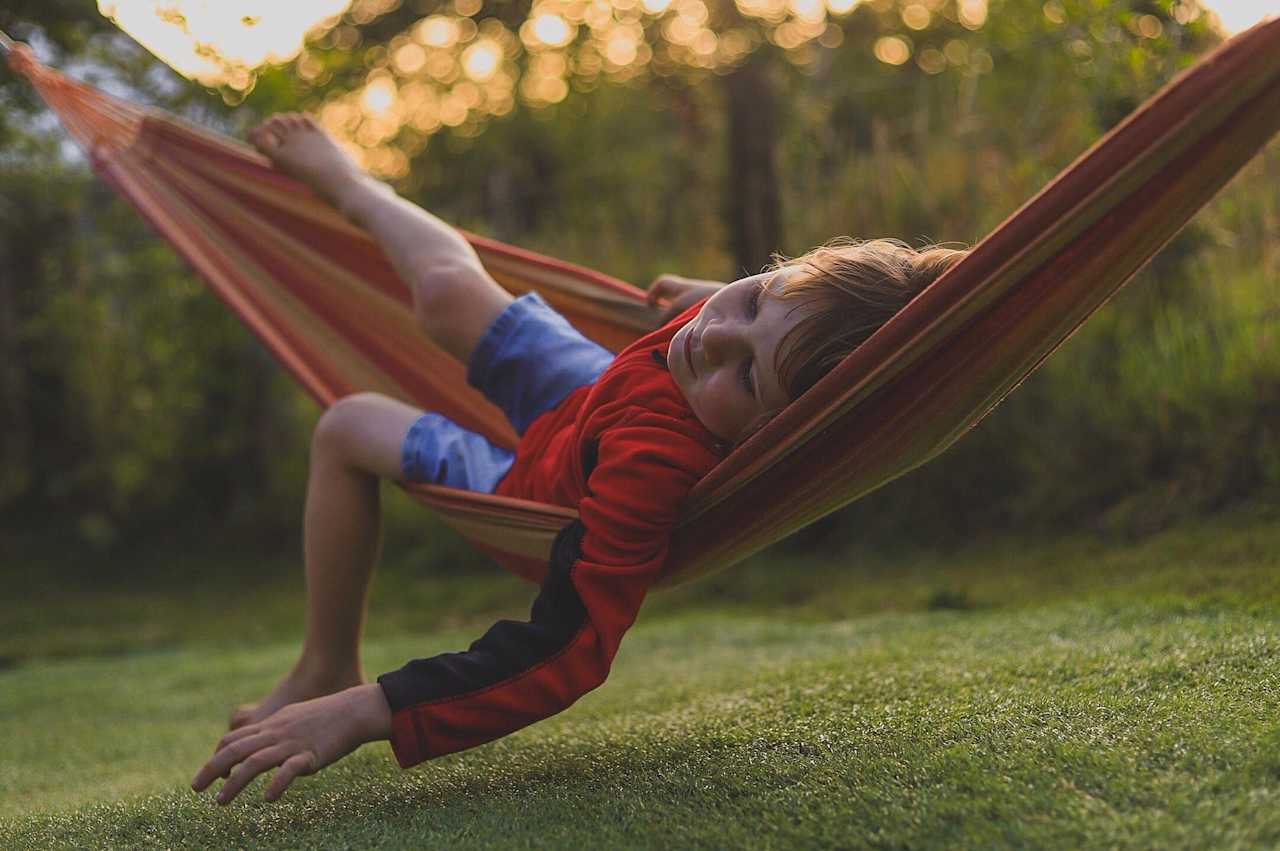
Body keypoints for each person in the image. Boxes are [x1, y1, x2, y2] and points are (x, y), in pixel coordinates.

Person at [190, 112, 968, 805]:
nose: (709, 333)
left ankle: (329, 663)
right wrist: (723, 298)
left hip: (537, 488)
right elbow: (742, 331)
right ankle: (351, 184)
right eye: (757, 294)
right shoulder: (712, 345)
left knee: (347, 425)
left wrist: (373, 707)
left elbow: (564, 649)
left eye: (748, 371)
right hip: (599, 394)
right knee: (446, 290)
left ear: (776, 437)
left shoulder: (651, 471)